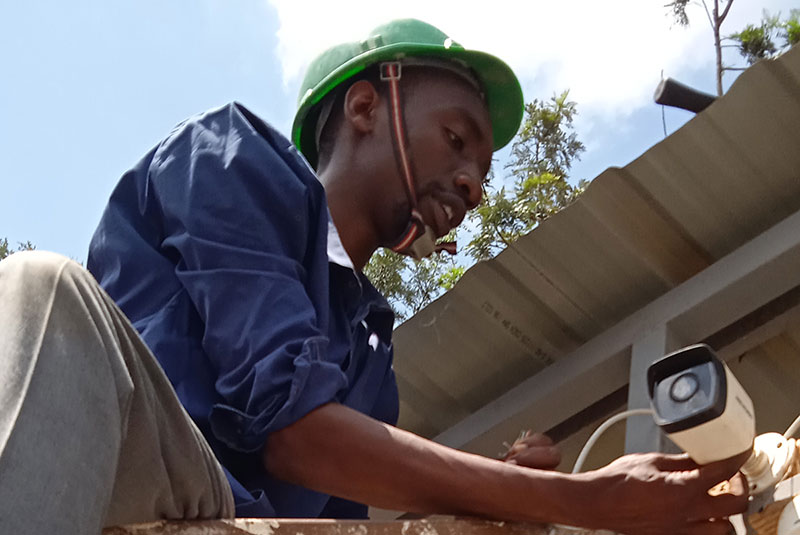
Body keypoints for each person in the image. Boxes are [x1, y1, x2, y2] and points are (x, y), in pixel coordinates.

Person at [0, 18, 748, 535]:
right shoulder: (232, 161)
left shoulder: (367, 353)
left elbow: (336, 517)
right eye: (455, 139)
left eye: (483, 172)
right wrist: (575, 498)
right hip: (138, 489)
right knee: (45, 289)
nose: (473, 185)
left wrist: (487, 501)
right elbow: (295, 434)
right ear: (365, 105)